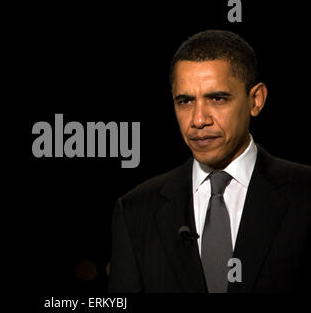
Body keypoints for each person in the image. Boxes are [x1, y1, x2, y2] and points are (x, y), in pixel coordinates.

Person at [108, 30, 311, 293]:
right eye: (185, 101)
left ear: (256, 100)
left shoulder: (305, 193)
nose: (199, 119)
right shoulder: (135, 211)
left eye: (217, 98)